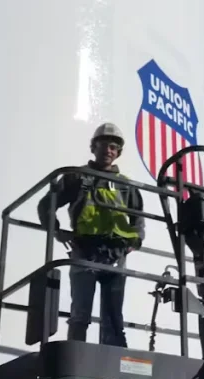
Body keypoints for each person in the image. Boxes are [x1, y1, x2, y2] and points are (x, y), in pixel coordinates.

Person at [37, 122, 145, 347]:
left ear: (118, 152)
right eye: (104, 145)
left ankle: (113, 359)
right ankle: (76, 356)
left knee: (113, 318)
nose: (108, 150)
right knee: (80, 314)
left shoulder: (125, 185)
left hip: (116, 254)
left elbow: (138, 216)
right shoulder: (76, 177)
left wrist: (135, 241)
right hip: (85, 251)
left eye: (113, 147)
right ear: (93, 147)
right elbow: (46, 204)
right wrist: (55, 230)